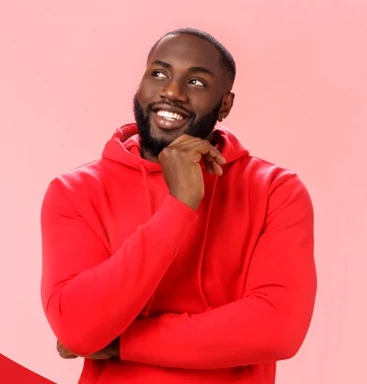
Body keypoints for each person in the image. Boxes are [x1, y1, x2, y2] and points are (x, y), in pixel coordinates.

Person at [40, 27, 317, 384]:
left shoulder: (275, 190)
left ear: (225, 105)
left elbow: (278, 328)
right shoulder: (75, 191)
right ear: (139, 87)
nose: (172, 92)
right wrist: (180, 205)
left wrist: (121, 343)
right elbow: (78, 326)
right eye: (159, 74)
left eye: (197, 83)